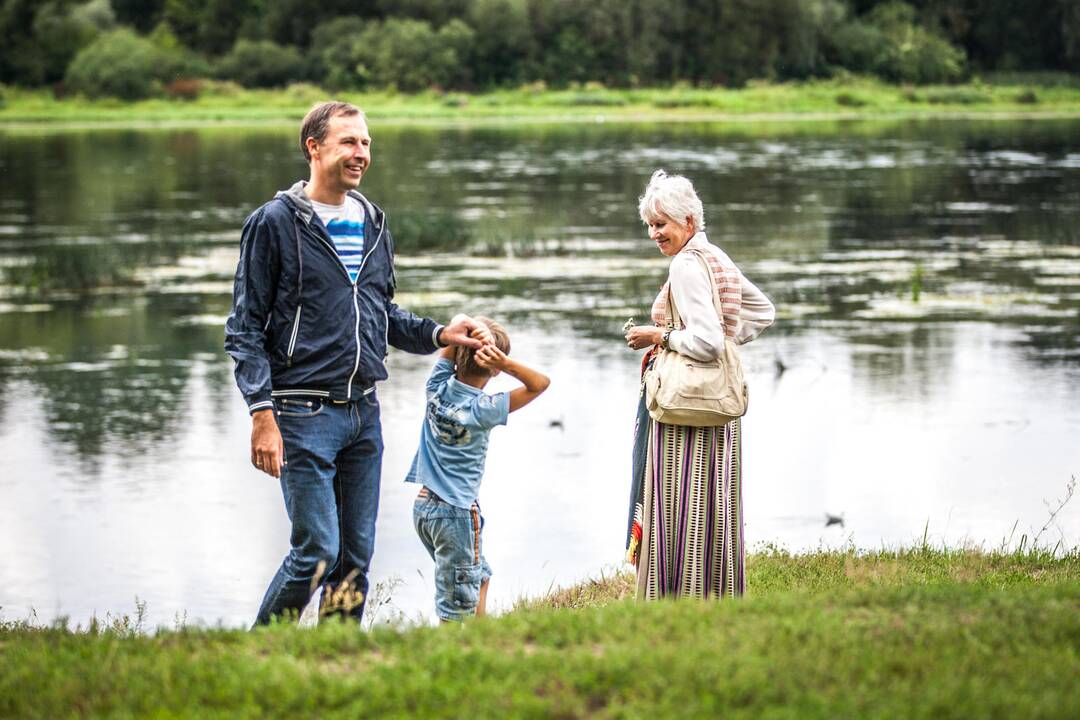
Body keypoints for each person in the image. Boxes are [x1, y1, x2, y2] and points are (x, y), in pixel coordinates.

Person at [225, 101, 487, 625]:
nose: (361, 153)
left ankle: (335, 658)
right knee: (316, 550)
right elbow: (245, 328)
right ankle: (256, 654)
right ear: (314, 147)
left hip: (363, 415)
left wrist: (439, 333)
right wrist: (261, 413)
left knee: (355, 560)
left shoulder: (372, 221)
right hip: (300, 414)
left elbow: (379, 313)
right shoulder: (274, 224)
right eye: (348, 142)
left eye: (365, 143)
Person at [623, 169, 775, 600]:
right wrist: (729, 341)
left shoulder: (687, 264)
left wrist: (661, 337)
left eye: (662, 224)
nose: (655, 233)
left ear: (688, 221)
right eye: (650, 225)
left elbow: (705, 342)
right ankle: (715, 594)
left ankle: (675, 597)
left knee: (679, 501)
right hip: (717, 403)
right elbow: (763, 312)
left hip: (685, 404)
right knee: (713, 502)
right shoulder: (715, 256)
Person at [407, 317, 549, 621]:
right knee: (456, 606)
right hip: (456, 512)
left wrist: (468, 331)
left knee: (478, 575)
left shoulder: (436, 388)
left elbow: (456, 322)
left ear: (456, 351)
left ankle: (482, 638)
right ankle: (457, 654)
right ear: (495, 369)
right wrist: (506, 362)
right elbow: (540, 384)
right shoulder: (483, 408)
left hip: (423, 508)